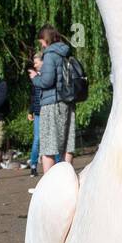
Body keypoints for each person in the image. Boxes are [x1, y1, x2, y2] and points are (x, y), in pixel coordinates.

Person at [29, 25, 76, 179]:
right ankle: (67, 180)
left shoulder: (50, 54)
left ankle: (48, 186)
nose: (41, 45)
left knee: (48, 145)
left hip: (52, 103)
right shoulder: (66, 52)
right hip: (68, 102)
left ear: (46, 39)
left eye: (42, 41)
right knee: (67, 144)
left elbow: (47, 81)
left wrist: (35, 77)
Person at [20, 52, 44, 176]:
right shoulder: (35, 77)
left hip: (48, 110)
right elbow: (34, 96)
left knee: (51, 138)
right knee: (37, 139)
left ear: (43, 61)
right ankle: (33, 165)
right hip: (38, 112)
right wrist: (31, 111)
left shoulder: (47, 75)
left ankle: (57, 164)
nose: (34, 65)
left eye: (36, 62)